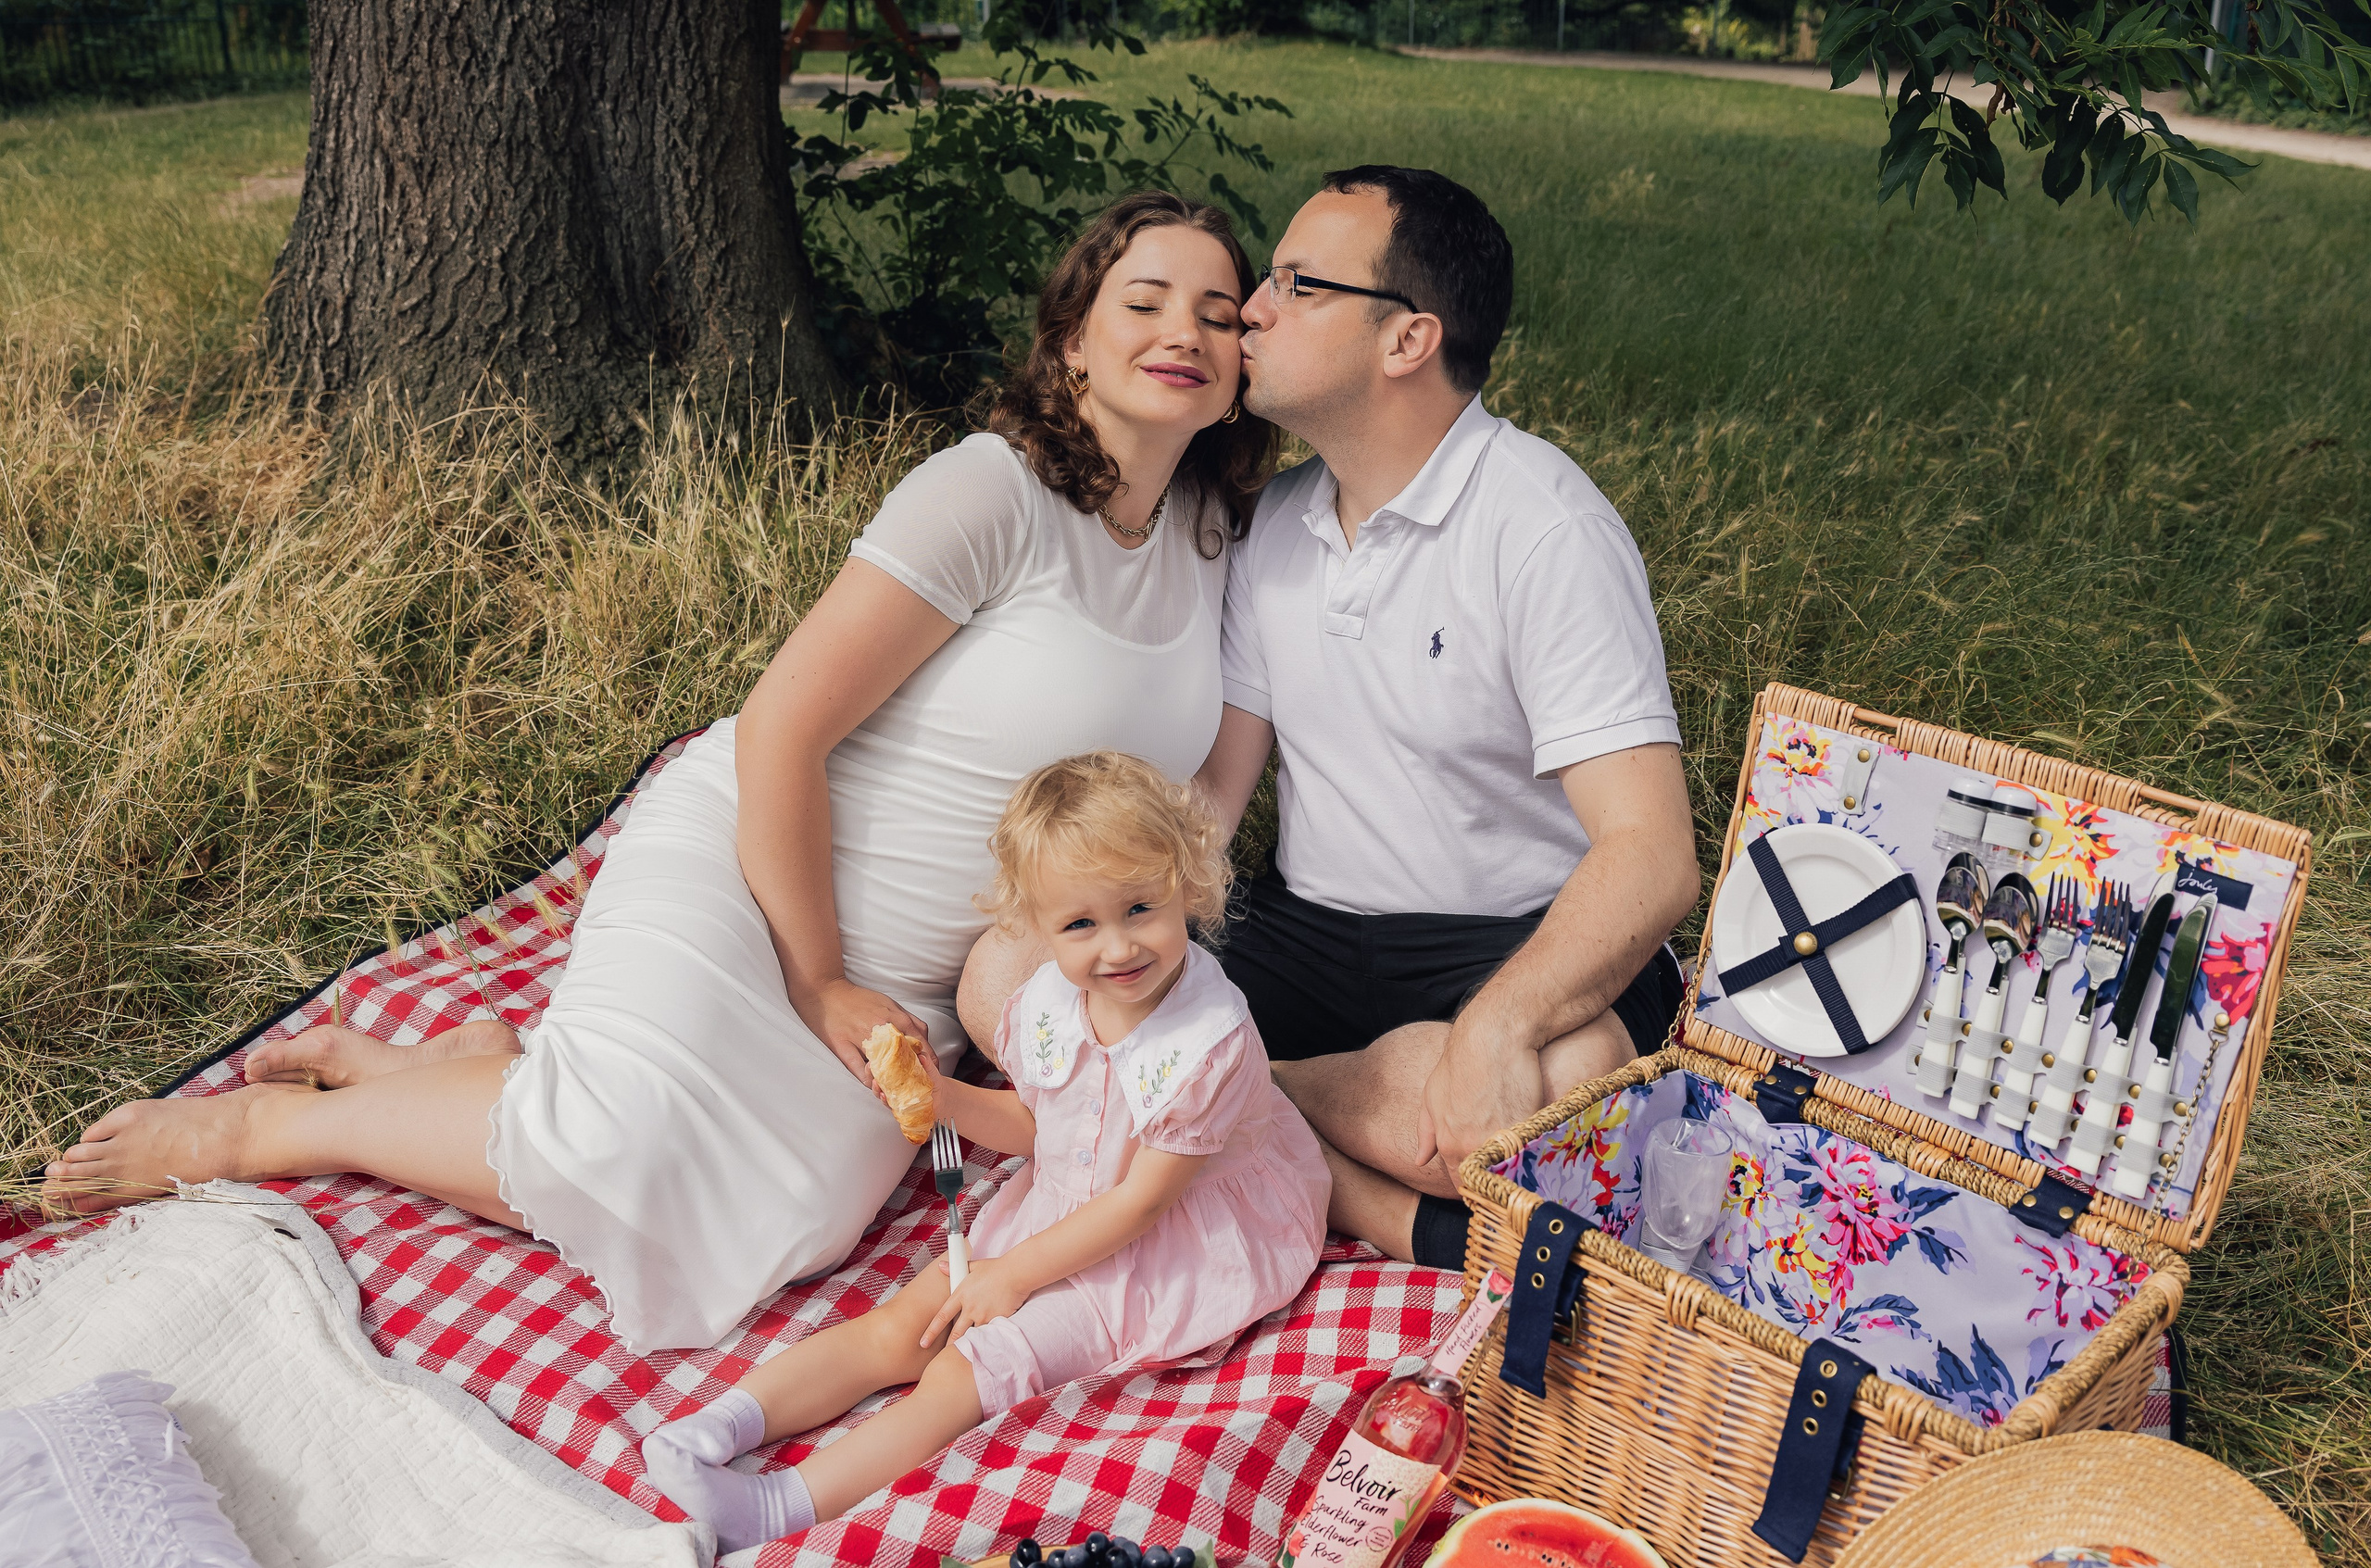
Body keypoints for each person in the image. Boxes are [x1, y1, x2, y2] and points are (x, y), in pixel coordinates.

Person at [41, 191, 1279, 1355]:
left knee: (788, 1229)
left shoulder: (1214, 537)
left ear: (1240, 370)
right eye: (1145, 301)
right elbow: (782, 727)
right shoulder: (987, 494)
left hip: (915, 979)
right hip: (762, 872)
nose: (1183, 332)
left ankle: (474, 1068)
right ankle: (270, 1127)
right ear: (1071, 342)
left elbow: (1203, 802)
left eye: (1218, 314)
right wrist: (819, 981)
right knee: (621, 1155)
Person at [1192, 167, 1700, 1272]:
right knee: (1024, 976)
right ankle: (1393, 1210)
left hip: (1511, 940)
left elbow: (1653, 854)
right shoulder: (1276, 522)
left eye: (1296, 285)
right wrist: (1118, 921)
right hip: (1303, 933)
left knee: (1550, 1094)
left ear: (1407, 339)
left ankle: (1227, 1100)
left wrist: (1497, 1027)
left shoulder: (1544, 529)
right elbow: (1214, 802)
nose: (1251, 310)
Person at [638, 752, 1329, 1549]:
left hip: (1153, 1249)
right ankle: (717, 1426)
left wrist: (1016, 1273)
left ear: (1188, 885)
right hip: (1060, 1206)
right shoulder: (1054, 1002)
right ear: (1039, 925)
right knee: (906, 1323)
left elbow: (1141, 1203)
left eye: (1141, 907)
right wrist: (945, 1099)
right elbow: (1040, 1127)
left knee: (962, 1373)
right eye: (1080, 924)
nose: (1117, 947)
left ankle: (773, 1507)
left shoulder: (1207, 1045)